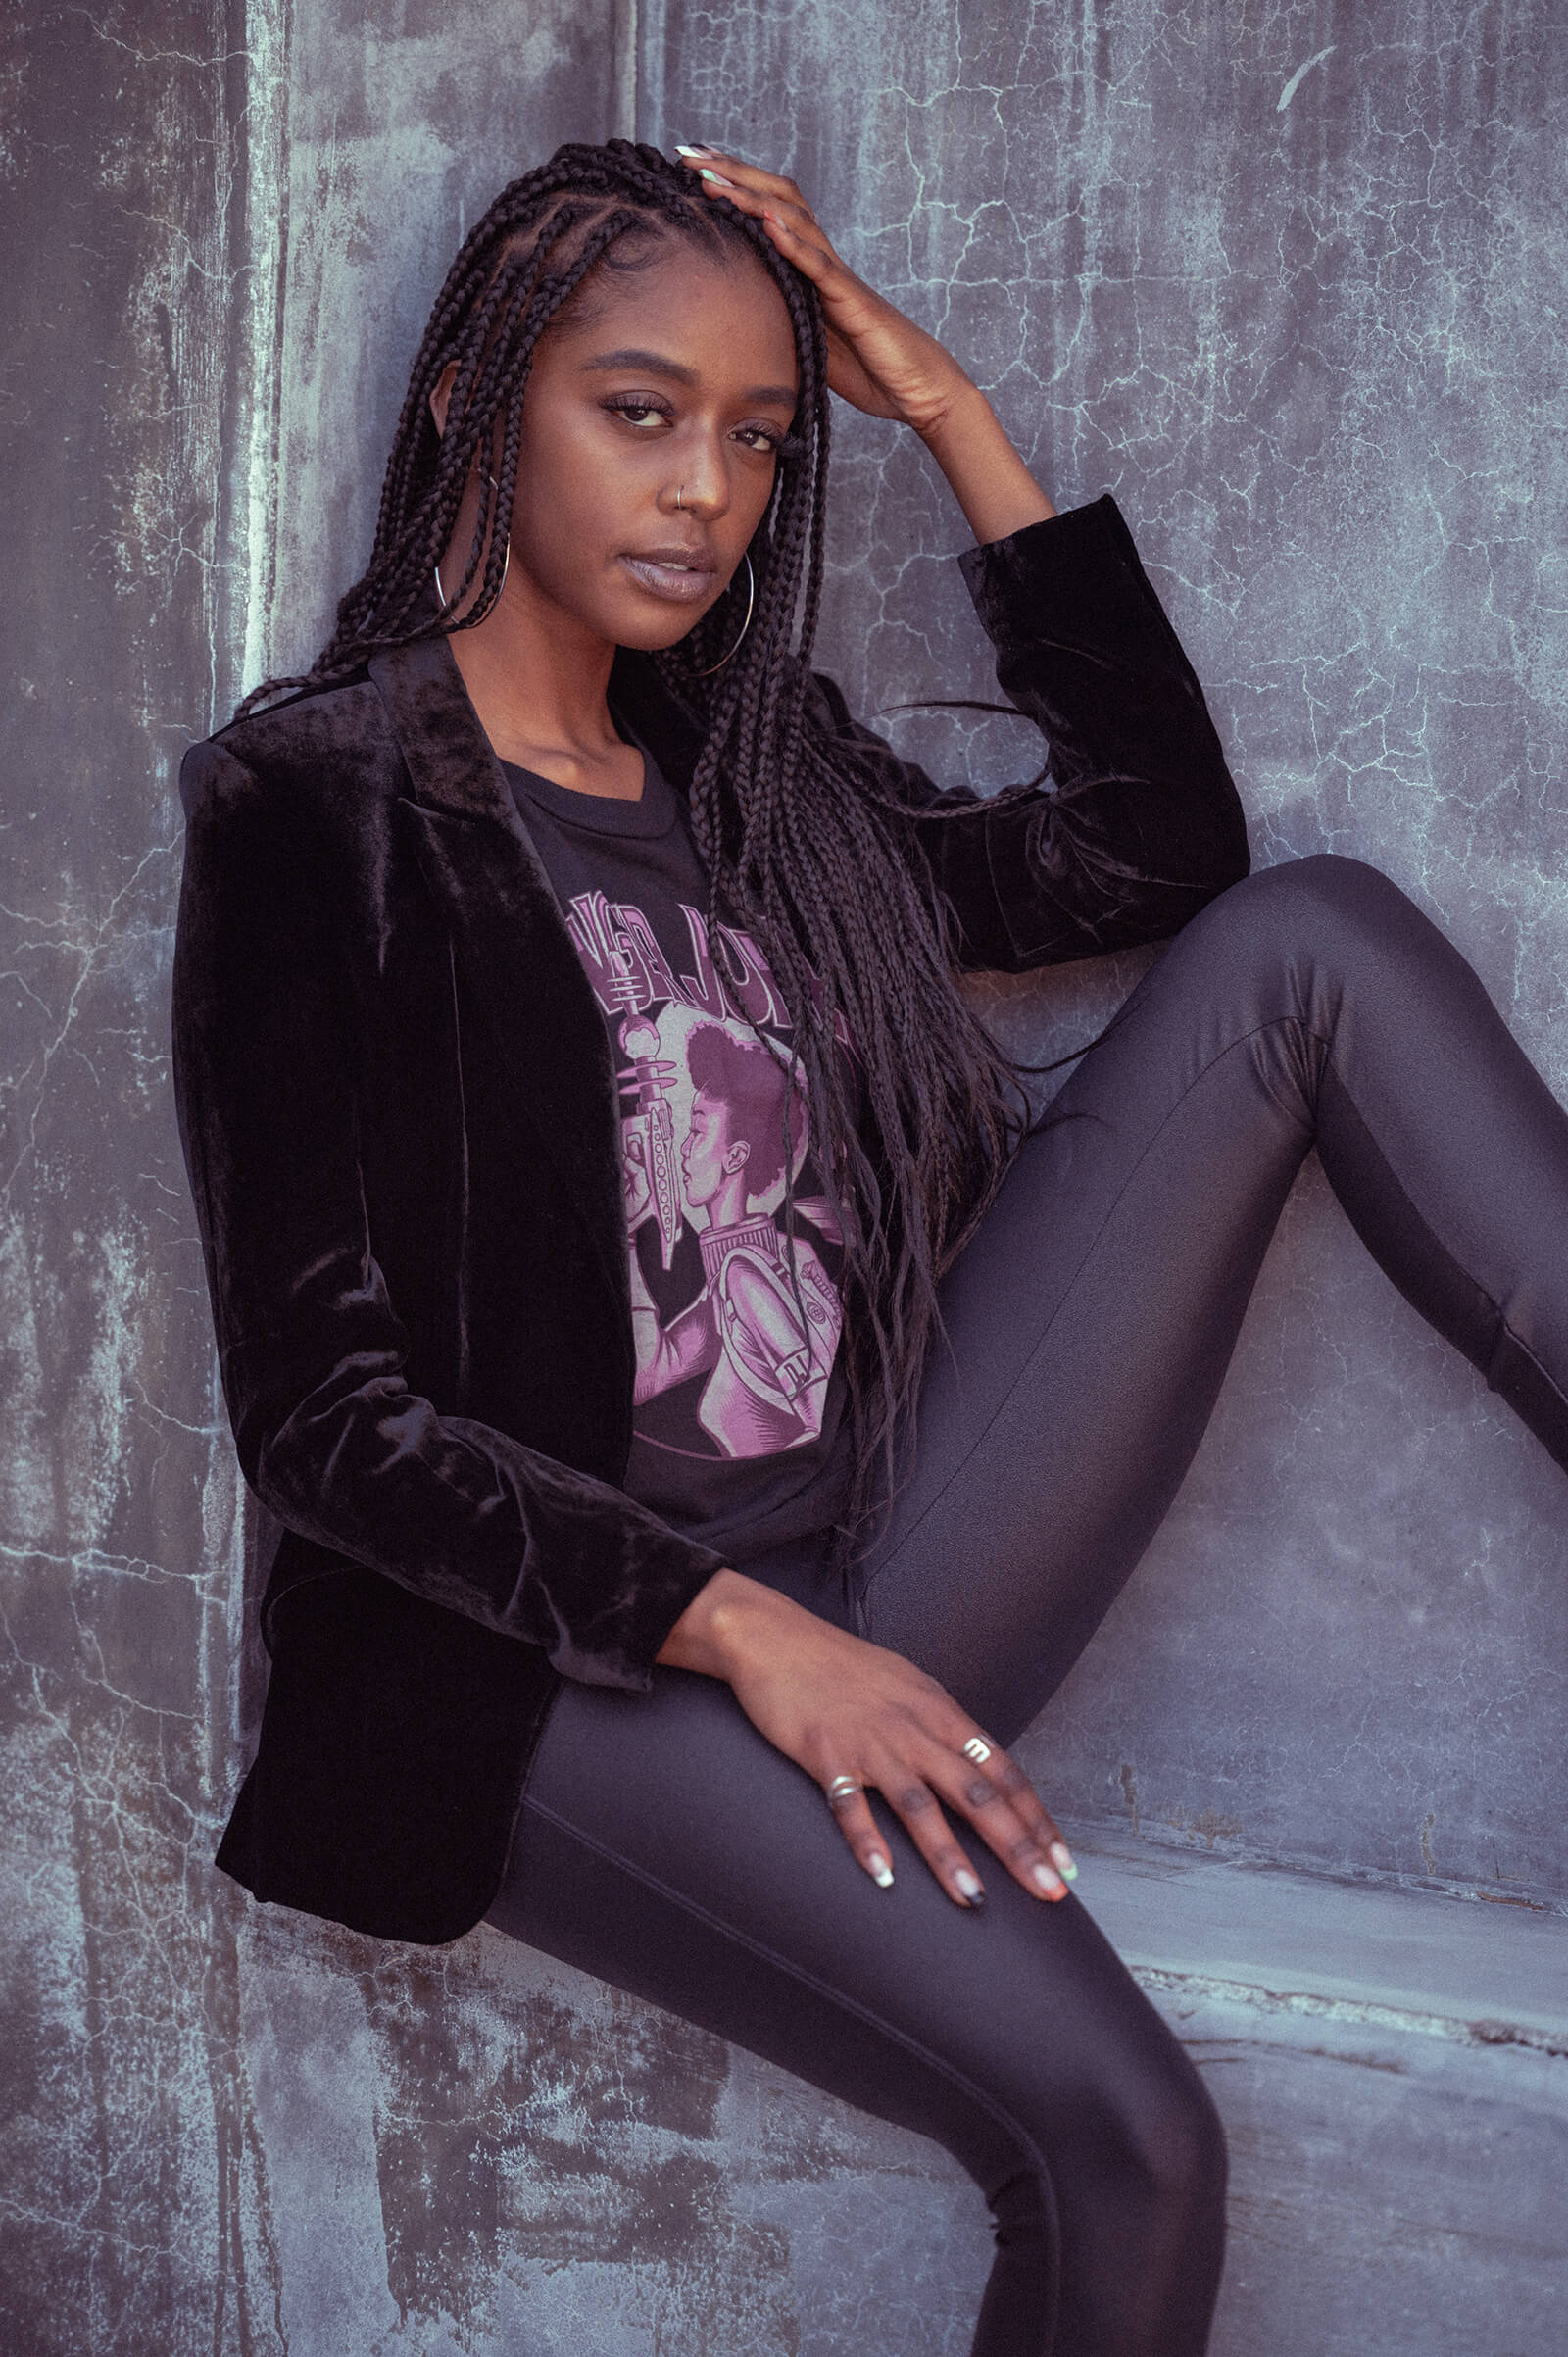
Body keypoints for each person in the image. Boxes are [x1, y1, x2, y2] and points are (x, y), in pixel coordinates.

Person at [170, 136, 1568, 2357]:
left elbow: (1147, 855)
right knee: (1125, 2140)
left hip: (887, 1553)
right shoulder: (323, 804)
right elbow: (325, 1420)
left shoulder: (757, 782)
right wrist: (738, 1631)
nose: (704, 491)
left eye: (753, 434)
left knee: (1305, 940)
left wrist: (940, 409)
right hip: (562, 1672)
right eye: (636, 412)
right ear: (475, 399)